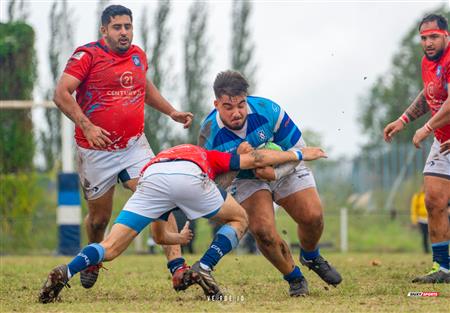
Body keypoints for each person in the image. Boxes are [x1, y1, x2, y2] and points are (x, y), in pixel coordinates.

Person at [38, 143, 328, 303]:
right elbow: (256, 158)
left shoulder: (163, 159)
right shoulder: (209, 155)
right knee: (240, 218)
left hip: (149, 179)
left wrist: (179, 240)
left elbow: (159, 234)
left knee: (110, 246)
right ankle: (205, 265)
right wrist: (301, 155)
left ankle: (68, 270)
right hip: (191, 176)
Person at [53, 4, 193, 290]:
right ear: (104, 30)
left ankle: (178, 268)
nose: (124, 32)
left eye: (128, 26)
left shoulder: (138, 55)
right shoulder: (87, 55)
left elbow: (145, 87)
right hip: (96, 151)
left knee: (161, 193)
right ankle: (92, 257)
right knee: (99, 218)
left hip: (133, 146)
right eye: (117, 27)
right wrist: (88, 126)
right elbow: (60, 93)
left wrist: (171, 111)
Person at [198, 70, 342, 297]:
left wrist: (274, 174)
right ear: (216, 104)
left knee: (312, 216)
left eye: (241, 105)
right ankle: (295, 278)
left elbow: (299, 153)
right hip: (244, 180)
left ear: (247, 99)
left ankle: (311, 256)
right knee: (263, 231)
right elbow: (215, 184)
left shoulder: (269, 111)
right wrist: (236, 161)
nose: (236, 113)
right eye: (228, 107)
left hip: (285, 168)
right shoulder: (209, 133)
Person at [383, 13, 450, 283]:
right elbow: (430, 92)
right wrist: (404, 119)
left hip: (439, 133)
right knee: (433, 201)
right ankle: (443, 268)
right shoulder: (427, 63)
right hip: (442, 142)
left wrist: (427, 127)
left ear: (446, 36)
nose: (428, 42)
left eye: (434, 36)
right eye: (424, 38)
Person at [410, 186, 429, 253]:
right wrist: (414, 220)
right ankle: (426, 250)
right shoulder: (417, 196)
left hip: (430, 219)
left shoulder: (430, 195)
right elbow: (414, 209)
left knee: (433, 235)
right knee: (424, 235)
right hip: (421, 219)